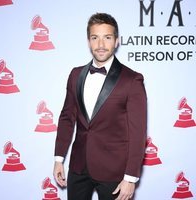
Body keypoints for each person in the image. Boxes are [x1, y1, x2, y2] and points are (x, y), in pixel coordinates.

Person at [53, 12, 147, 200]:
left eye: (107, 38)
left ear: (117, 41)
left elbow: (138, 132)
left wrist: (130, 177)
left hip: (115, 172)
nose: (101, 45)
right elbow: (66, 118)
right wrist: (58, 159)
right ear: (88, 41)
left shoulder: (132, 79)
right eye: (95, 38)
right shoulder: (75, 74)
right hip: (78, 168)